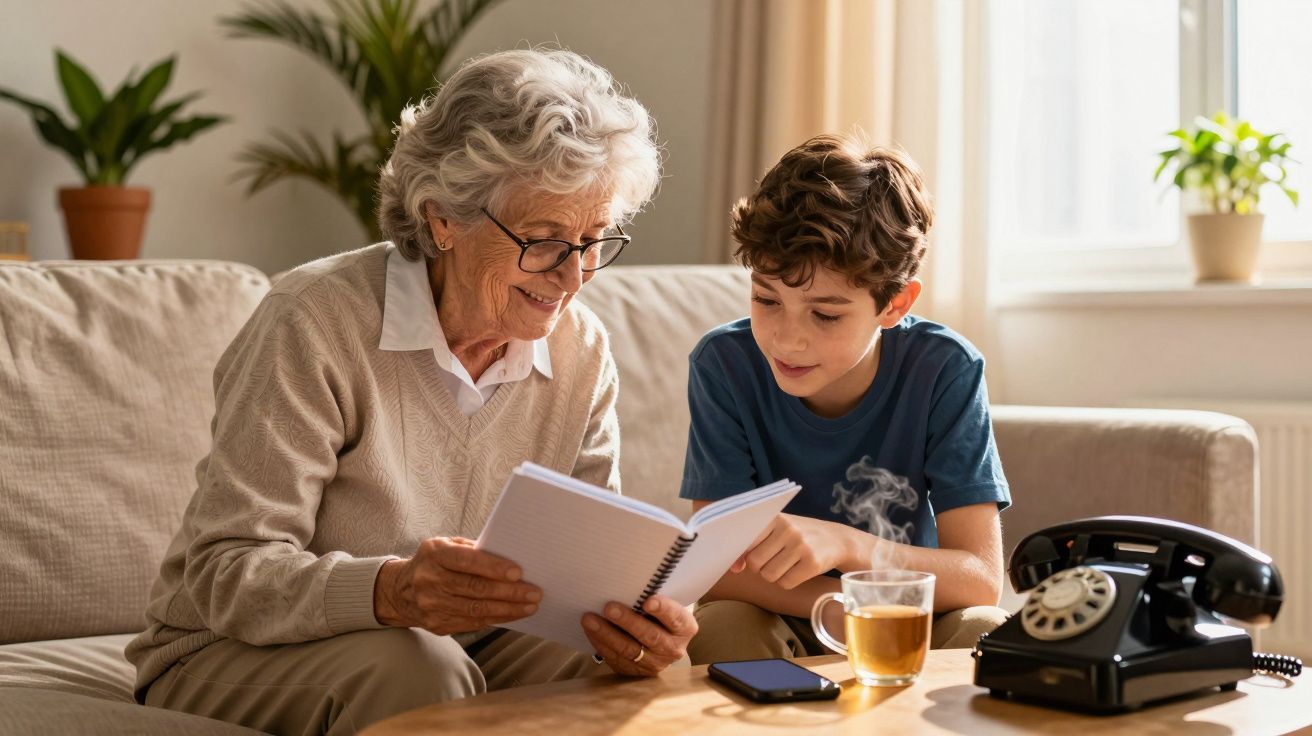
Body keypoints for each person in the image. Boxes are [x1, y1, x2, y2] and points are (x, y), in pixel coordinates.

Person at [126, 48, 696, 735]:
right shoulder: (314, 320)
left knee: (618, 673)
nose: (573, 277)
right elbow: (225, 572)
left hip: (470, 641)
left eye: (595, 239)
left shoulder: (582, 349)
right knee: (421, 672)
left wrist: (631, 621)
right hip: (229, 648)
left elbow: (582, 572)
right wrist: (390, 590)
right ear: (442, 218)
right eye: (543, 240)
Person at [680, 133, 1011, 664]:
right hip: (784, 612)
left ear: (895, 304)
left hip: (907, 614)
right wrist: (841, 606)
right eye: (767, 299)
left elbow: (979, 581)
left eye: (826, 314)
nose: (787, 340)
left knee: (984, 629)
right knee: (722, 627)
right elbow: (715, 569)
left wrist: (852, 547)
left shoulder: (945, 369)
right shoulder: (725, 365)